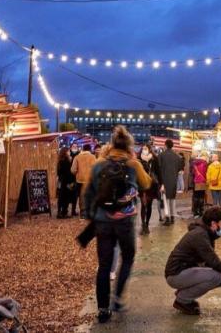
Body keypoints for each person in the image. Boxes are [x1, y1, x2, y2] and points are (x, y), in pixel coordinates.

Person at [84, 126, 151, 324]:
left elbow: (88, 191)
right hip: (125, 221)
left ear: (112, 144)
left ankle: (103, 308)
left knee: (104, 265)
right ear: (129, 146)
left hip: (103, 221)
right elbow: (146, 184)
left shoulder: (99, 164)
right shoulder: (133, 164)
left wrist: (90, 216)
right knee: (128, 258)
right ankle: (118, 297)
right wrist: (135, 164)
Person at [165, 206, 221, 315]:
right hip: (175, 275)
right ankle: (182, 300)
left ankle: (184, 294)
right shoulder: (200, 236)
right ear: (214, 224)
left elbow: (210, 260)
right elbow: (216, 264)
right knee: (216, 277)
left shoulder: (206, 233)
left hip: (183, 271)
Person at [158, 139, 183, 225]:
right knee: (172, 200)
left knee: (166, 200)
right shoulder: (177, 156)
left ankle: (167, 218)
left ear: (165, 145)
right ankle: (172, 217)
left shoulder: (161, 155)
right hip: (174, 181)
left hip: (164, 181)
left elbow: (159, 169)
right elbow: (180, 168)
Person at [138, 144, 160, 235]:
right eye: (143, 148)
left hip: (151, 185)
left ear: (150, 150)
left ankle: (146, 224)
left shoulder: (154, 159)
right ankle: (143, 225)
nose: (144, 150)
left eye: (146, 148)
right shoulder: (138, 159)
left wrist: (161, 184)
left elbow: (158, 172)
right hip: (142, 184)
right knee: (143, 205)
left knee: (149, 205)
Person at [71, 144, 96, 218]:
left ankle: (83, 213)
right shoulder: (93, 157)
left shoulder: (77, 157)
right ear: (90, 149)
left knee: (81, 197)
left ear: (83, 149)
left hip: (80, 180)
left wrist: (77, 173)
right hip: (90, 180)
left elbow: (73, 170)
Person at [56, 147, 76, 218]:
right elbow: (69, 172)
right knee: (66, 197)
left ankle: (59, 212)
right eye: (68, 151)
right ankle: (64, 213)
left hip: (62, 181)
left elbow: (58, 172)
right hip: (67, 181)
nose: (69, 152)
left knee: (61, 197)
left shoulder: (60, 161)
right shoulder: (66, 161)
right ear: (65, 152)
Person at [191, 153, 209, 218]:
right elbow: (207, 172)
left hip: (196, 182)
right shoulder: (205, 164)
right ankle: (201, 212)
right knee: (201, 197)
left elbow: (192, 173)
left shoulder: (194, 163)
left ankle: (195, 212)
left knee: (196, 197)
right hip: (203, 181)